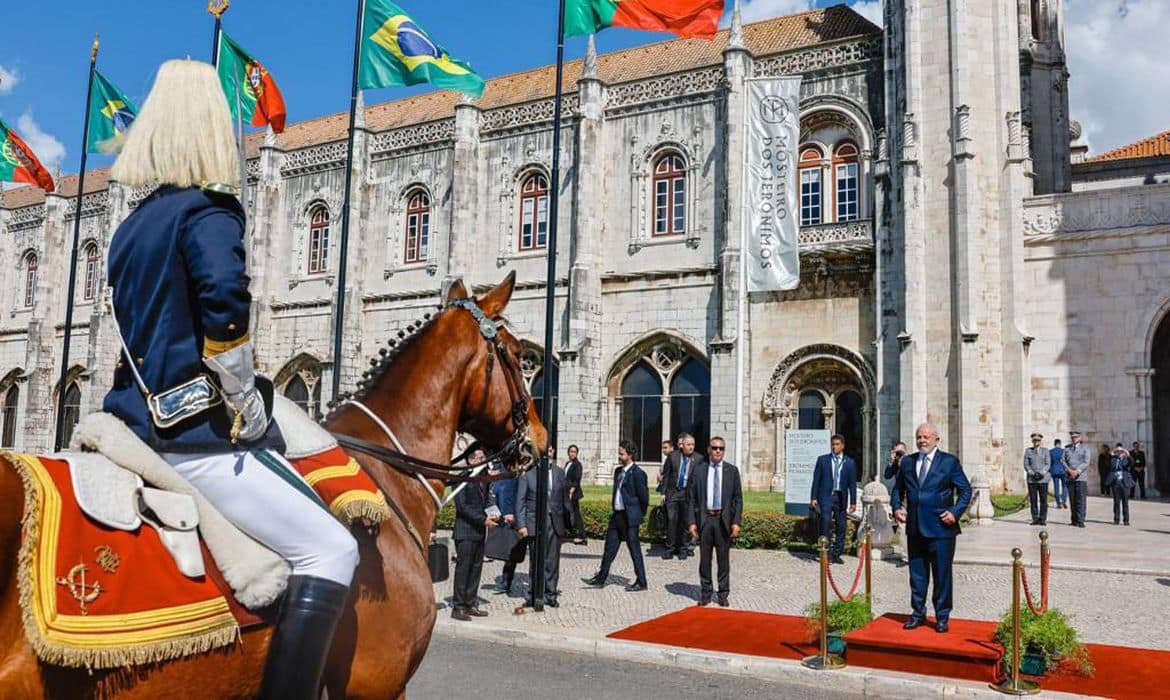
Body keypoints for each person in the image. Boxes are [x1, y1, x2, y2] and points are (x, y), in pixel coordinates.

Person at [102, 59, 357, 699]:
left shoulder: (131, 227)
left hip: (131, 419)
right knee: (332, 550)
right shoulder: (209, 212)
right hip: (192, 435)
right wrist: (245, 398)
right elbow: (223, 301)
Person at [891, 423, 972, 634]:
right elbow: (897, 490)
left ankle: (942, 616)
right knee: (917, 576)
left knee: (942, 575)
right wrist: (897, 507)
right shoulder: (907, 462)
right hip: (915, 528)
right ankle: (917, 613)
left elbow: (965, 491)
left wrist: (955, 512)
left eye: (926, 437)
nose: (922, 440)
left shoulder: (949, 462)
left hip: (941, 530)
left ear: (937, 439)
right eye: (919, 437)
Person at [582, 439, 649, 591]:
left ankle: (642, 581)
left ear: (630, 454)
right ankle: (601, 578)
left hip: (630, 517)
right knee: (609, 548)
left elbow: (644, 498)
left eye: (622, 453)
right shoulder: (618, 471)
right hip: (617, 516)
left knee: (634, 550)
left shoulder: (638, 474)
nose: (619, 456)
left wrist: (638, 515)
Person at [687, 436, 742, 606]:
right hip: (705, 520)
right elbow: (692, 499)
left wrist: (736, 522)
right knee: (705, 560)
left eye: (721, 448)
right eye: (715, 447)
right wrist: (692, 522)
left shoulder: (732, 471)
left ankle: (723, 593)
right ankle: (706, 592)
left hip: (723, 520)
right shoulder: (699, 470)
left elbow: (737, 499)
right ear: (709, 449)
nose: (718, 451)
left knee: (723, 560)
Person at [516, 451, 570, 608]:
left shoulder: (559, 473)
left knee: (552, 561)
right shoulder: (529, 475)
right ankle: (533, 594)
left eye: (551, 450)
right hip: (535, 524)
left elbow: (565, 500)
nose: (550, 453)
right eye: (546, 451)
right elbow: (521, 501)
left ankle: (550, 594)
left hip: (555, 523)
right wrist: (522, 525)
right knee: (536, 561)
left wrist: (569, 524)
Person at [452, 450, 499, 620]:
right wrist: (482, 520)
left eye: (484, 457)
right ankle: (458, 607)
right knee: (463, 570)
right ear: (471, 460)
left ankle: (471, 603)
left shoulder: (482, 479)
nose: (483, 460)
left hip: (479, 532)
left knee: (476, 570)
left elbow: (487, 500)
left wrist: (493, 513)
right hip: (465, 532)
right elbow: (462, 507)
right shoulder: (462, 478)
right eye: (480, 458)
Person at [810, 434, 858, 564]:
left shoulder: (850, 463)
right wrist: (813, 497)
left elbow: (852, 484)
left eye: (837, 444)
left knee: (841, 525)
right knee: (825, 521)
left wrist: (853, 502)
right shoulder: (823, 460)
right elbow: (816, 480)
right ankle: (826, 552)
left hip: (840, 498)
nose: (834, 447)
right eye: (833, 444)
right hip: (826, 496)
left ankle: (837, 553)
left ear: (842, 446)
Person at [661, 432, 702, 560]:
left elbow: (700, 480)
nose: (691, 447)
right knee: (672, 520)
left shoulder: (699, 459)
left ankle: (683, 549)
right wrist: (664, 492)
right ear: (682, 445)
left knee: (685, 522)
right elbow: (666, 476)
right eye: (688, 444)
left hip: (688, 494)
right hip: (673, 493)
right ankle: (670, 548)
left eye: (693, 444)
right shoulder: (673, 457)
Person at [488, 459, 520, 595]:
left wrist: (513, 513)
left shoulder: (515, 469)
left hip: (512, 516)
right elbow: (492, 492)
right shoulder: (496, 467)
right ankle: (505, 580)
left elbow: (518, 493)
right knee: (501, 547)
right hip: (499, 515)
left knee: (511, 550)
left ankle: (507, 581)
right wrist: (493, 512)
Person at [1062, 432, 1091, 528]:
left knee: (1081, 500)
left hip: (1080, 477)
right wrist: (1069, 470)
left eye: (1076, 437)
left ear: (1080, 438)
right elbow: (1063, 461)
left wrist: (1077, 471)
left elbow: (1086, 461)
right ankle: (1074, 520)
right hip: (1070, 476)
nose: (1074, 439)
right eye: (1073, 437)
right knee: (1072, 499)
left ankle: (1081, 520)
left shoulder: (1085, 448)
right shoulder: (1067, 448)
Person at [1023, 433, 1051, 526]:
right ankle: (1035, 518)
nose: (1036, 442)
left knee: (1043, 500)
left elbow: (1048, 464)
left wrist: (1041, 473)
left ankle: (1043, 519)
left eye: (1038, 440)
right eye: (1034, 440)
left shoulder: (1045, 451)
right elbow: (1026, 464)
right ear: (1032, 441)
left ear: (1040, 441)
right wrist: (1032, 473)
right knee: (1033, 500)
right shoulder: (1028, 451)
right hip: (1032, 479)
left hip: (1043, 479)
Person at [564, 444, 586, 544]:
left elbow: (577, 479)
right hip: (566, 492)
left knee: (576, 514)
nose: (572, 453)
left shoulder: (577, 465)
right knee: (566, 513)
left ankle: (582, 536)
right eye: (571, 451)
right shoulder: (567, 463)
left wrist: (571, 492)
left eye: (574, 452)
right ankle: (569, 532)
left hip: (573, 493)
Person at [1106, 444, 1133, 526]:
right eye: (1117, 451)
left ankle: (1126, 520)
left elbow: (1132, 463)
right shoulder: (1113, 459)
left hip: (1124, 482)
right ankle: (1116, 519)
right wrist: (1111, 454)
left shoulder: (1126, 459)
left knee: (1125, 502)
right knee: (1116, 502)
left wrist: (1127, 455)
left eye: (1121, 451)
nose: (1119, 453)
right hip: (1115, 482)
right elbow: (1107, 464)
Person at [1049, 438, 1067, 509]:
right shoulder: (1064, 451)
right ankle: (1064, 501)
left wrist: (1050, 470)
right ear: (1060, 444)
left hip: (1054, 471)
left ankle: (1058, 503)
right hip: (1063, 471)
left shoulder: (1051, 451)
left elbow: (1049, 462)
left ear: (1054, 444)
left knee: (1056, 487)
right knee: (1064, 487)